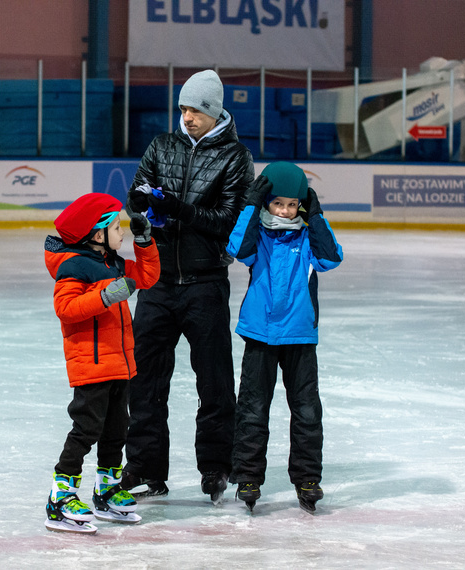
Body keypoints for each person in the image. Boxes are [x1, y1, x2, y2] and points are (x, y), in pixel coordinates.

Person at [122, 69, 253, 503]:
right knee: (143, 381)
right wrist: (140, 204)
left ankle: (216, 468)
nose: (187, 117)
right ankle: (144, 469)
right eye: (183, 108)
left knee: (213, 382)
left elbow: (227, 222)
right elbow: (136, 195)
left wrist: (177, 207)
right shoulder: (162, 145)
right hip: (157, 284)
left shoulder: (235, 158)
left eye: (195, 109)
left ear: (214, 112)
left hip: (205, 284)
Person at [225, 162, 343, 514]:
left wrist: (317, 216)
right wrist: (250, 203)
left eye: (293, 205)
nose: (286, 211)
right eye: (278, 204)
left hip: (299, 336)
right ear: (267, 203)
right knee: (252, 409)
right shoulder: (257, 235)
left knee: (307, 411)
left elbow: (331, 257)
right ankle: (248, 477)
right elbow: (238, 249)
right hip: (260, 334)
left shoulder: (308, 237)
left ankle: (307, 478)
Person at [43, 192, 160, 534]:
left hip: (120, 363)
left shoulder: (112, 263)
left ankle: (106, 488)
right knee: (86, 430)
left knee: (116, 431)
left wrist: (144, 240)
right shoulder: (74, 267)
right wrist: (106, 296)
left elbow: (148, 277)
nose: (121, 232)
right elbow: (66, 309)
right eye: (117, 227)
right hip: (91, 365)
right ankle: (60, 497)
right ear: (96, 234)